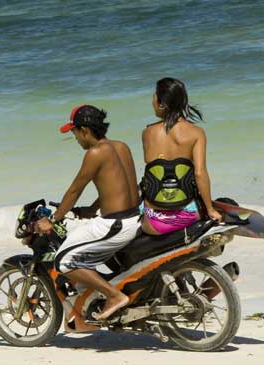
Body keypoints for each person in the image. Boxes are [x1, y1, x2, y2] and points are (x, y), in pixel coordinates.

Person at [34, 104, 140, 320]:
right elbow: (120, 185)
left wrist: (53, 220)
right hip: (134, 218)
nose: (75, 138)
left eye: (74, 133)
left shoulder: (95, 153)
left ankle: (114, 296)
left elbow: (74, 190)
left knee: (63, 261)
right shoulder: (121, 146)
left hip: (115, 225)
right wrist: (92, 209)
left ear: (85, 130)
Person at [140, 77, 222, 235]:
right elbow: (199, 173)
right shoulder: (196, 133)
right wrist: (210, 209)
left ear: (162, 103)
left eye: (154, 98)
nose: (153, 103)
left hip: (153, 222)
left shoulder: (147, 133)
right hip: (189, 215)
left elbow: (153, 166)